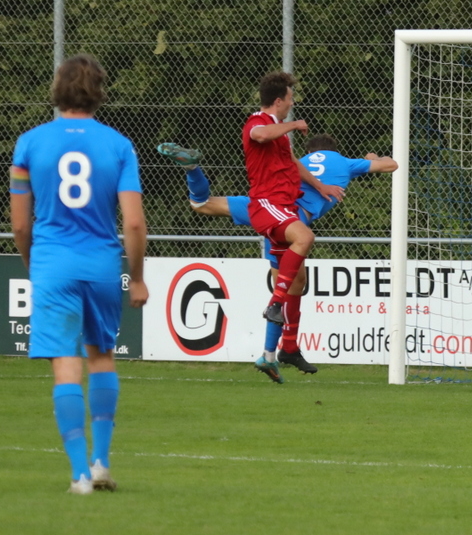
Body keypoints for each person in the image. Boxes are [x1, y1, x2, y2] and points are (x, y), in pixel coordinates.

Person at [9, 54, 148, 494]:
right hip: (102, 264)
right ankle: (101, 462)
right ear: (99, 92)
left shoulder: (29, 143)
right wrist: (137, 277)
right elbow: (133, 223)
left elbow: (19, 225)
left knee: (65, 363)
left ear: (57, 90)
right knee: (101, 356)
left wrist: (34, 264)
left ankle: (79, 475)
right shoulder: (119, 145)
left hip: (53, 263)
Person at [156, 134, 398, 383]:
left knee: (203, 204)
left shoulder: (301, 161)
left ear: (310, 151)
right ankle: (273, 353)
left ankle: (192, 169)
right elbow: (391, 165)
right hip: (289, 220)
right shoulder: (345, 162)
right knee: (286, 288)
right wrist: (374, 158)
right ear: (334, 150)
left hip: (263, 206)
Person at [237, 71, 344, 375]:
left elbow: (292, 164)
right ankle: (275, 304)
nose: (292, 103)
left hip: (283, 206)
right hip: (267, 204)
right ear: (278, 101)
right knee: (305, 237)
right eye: (290, 98)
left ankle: (277, 353)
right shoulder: (258, 122)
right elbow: (259, 135)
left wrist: (320, 186)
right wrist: (294, 125)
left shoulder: (279, 135)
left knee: (296, 279)